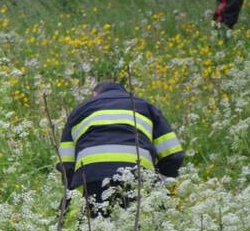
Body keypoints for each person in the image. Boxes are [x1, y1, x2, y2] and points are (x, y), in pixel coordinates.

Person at [57, 80, 184, 215]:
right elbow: (173, 154)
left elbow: (66, 163)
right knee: (138, 225)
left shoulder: (79, 111)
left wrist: (71, 190)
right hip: (137, 173)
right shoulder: (144, 106)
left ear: (94, 95)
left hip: (93, 174)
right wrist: (163, 183)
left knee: (95, 227)